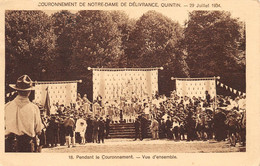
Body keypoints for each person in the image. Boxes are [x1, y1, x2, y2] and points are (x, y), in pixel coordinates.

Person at [5, 75, 43, 152]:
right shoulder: (34, 108)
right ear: (29, 92)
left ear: (17, 90)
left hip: (8, 146)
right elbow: (39, 130)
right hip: (26, 146)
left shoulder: (6, 107)